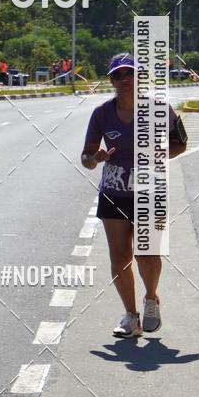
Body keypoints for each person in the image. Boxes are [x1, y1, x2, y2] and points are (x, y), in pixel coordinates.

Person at [81, 53, 187, 338]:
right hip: (114, 192)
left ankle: (151, 298)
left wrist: (160, 153)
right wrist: (95, 158)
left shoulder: (160, 109)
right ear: (112, 81)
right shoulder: (102, 113)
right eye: (118, 75)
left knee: (148, 255)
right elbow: (86, 156)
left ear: (139, 77)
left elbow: (181, 144)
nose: (124, 80)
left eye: (129, 74)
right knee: (120, 258)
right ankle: (131, 317)